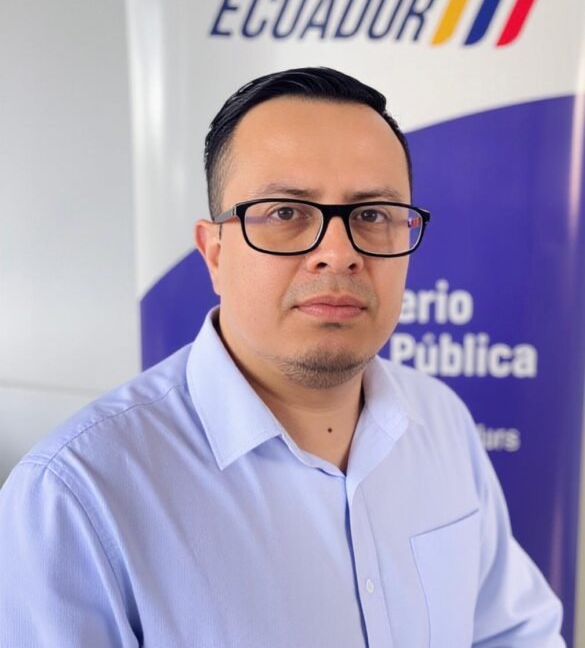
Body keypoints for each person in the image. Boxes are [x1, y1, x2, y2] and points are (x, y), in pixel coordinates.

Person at [0, 67, 564, 647]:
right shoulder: (77, 495)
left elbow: (516, 633)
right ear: (214, 252)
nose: (338, 254)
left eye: (372, 215)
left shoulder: (440, 421)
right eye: (286, 213)